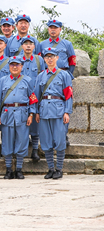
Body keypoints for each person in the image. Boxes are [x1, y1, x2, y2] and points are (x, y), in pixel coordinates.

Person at [0, 56, 37, 179]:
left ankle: (19, 169)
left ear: (21, 66)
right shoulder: (3, 80)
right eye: (12, 65)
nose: (14, 67)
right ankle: (8, 169)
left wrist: (31, 114)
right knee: (7, 141)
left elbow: (32, 98)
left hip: (22, 113)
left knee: (22, 140)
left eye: (17, 65)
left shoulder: (27, 80)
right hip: (7, 113)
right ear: (9, 66)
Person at [35, 48, 73, 180]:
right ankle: (51, 168)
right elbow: (36, 96)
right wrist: (36, 112)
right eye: (47, 57)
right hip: (44, 111)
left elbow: (68, 95)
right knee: (46, 141)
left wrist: (67, 111)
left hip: (59, 111)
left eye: (52, 56)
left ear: (57, 58)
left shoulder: (64, 75)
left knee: (60, 140)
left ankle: (59, 169)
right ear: (44, 59)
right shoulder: (40, 76)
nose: (50, 59)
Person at [20, 35, 46, 162]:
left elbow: (44, 76)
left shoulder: (39, 60)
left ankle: (35, 150)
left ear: (34, 46)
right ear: (22, 46)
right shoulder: (17, 60)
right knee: (22, 123)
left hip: (36, 95)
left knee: (35, 123)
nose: (28, 46)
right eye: (26, 44)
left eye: (30, 44)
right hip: (21, 95)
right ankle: (22, 150)